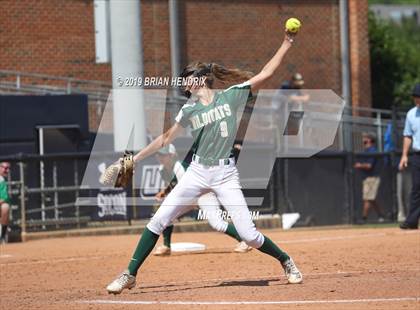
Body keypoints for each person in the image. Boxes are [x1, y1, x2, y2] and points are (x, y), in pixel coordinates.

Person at [106, 29, 303, 294]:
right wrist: (133, 160)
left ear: (200, 79)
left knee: (250, 236)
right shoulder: (189, 109)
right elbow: (165, 139)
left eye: (187, 79)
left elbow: (265, 74)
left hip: (225, 175)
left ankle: (285, 260)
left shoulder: (231, 96)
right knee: (158, 220)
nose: (184, 84)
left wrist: (286, 43)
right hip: (197, 172)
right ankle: (129, 274)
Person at [152, 144, 251, 256]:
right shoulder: (162, 169)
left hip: (203, 194)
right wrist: (164, 192)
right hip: (188, 196)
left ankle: (244, 241)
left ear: (172, 155)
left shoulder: (179, 167)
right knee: (166, 215)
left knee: (217, 223)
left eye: (164, 155)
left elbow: (186, 188)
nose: (160, 157)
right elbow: (173, 185)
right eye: (159, 155)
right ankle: (166, 246)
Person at [399, 83, 420, 230]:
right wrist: (404, 155)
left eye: (419, 97)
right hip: (417, 155)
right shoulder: (411, 114)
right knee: (416, 188)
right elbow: (407, 135)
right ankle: (412, 221)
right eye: (415, 97)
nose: (417, 100)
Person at [354, 133, 385, 223]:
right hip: (367, 178)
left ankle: (364, 218)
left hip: (372, 178)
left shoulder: (372, 151)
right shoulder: (366, 151)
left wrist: (359, 165)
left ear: (370, 140)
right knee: (371, 198)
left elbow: (369, 165)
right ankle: (381, 215)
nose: (363, 140)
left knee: (368, 198)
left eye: (365, 138)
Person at [0, 162, 11, 244]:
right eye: (4, 167)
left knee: (5, 207)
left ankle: (2, 235)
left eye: (7, 168)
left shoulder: (2, 180)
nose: (6, 170)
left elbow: (4, 198)